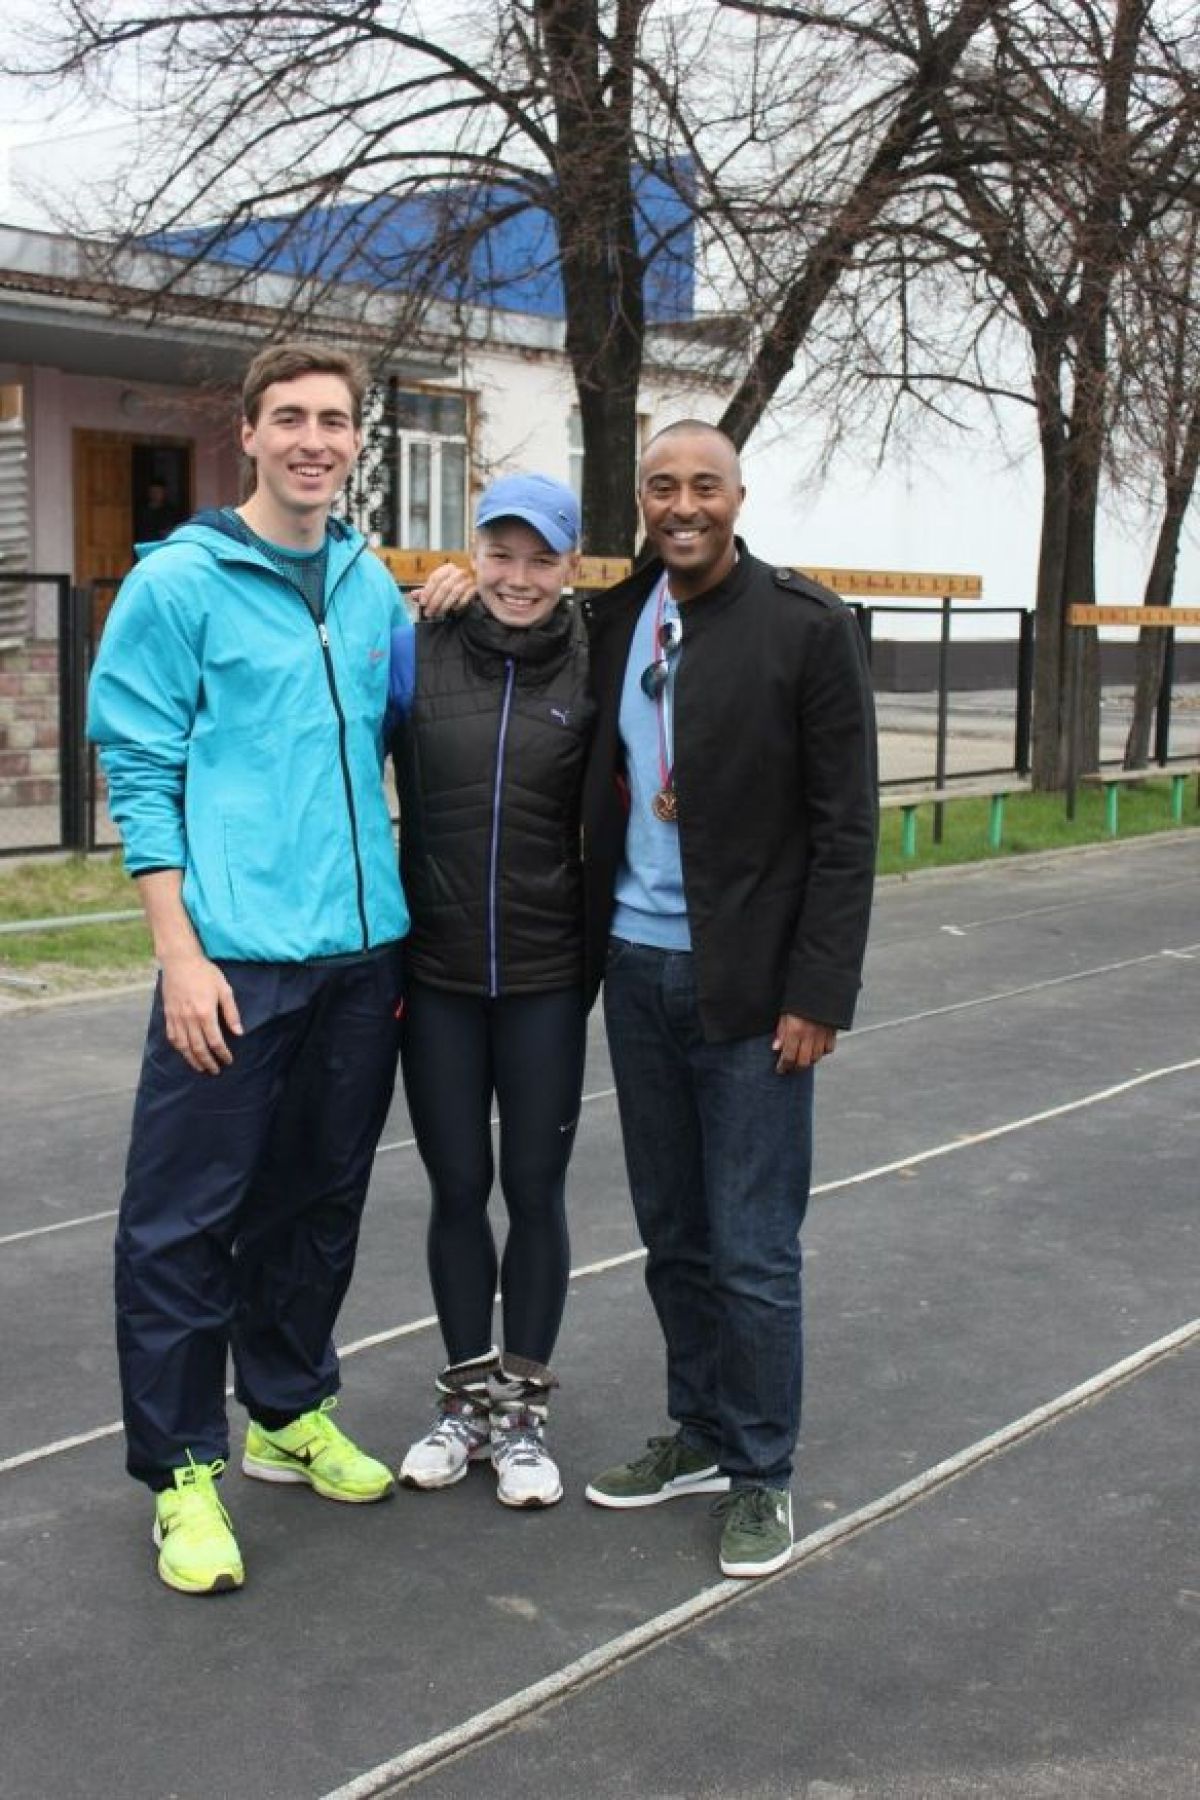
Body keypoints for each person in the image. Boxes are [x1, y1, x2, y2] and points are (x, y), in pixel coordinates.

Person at [88, 341, 410, 1596]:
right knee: (182, 1224)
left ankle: (284, 1411)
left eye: (333, 419)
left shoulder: (371, 583)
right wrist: (178, 952)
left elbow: (392, 726)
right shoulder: (178, 584)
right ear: (250, 435)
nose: (313, 440)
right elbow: (138, 769)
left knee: (317, 1203)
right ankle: (181, 1471)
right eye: (290, 418)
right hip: (231, 963)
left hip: (360, 956)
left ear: (355, 439)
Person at [579, 421, 877, 1579]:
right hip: (636, 969)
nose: (683, 505)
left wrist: (819, 990)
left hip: (753, 991)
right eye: (662, 486)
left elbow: (847, 829)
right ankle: (700, 1431)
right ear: (642, 501)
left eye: (705, 485)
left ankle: (762, 1472)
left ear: (739, 498)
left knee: (752, 1246)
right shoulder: (616, 618)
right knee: (674, 1235)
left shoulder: (806, 627)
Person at [390, 473, 594, 1508]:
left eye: (540, 558)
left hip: (548, 976)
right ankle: (466, 1402)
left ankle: (523, 1416)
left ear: (571, 565)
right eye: (500, 554)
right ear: (472, 552)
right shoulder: (419, 644)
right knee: (458, 1187)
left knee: (535, 1190)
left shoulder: (598, 655)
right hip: (438, 975)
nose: (518, 577)